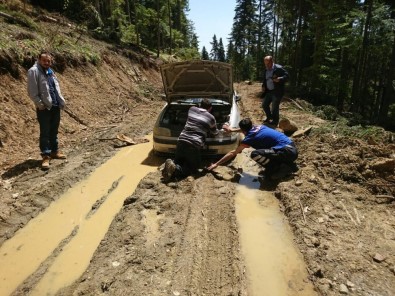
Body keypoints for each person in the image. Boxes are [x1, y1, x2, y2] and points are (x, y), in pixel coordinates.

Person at [207, 118, 298, 180]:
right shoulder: (258, 127)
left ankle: (278, 167)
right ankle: (281, 163)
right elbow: (244, 129)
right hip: (291, 147)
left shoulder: (249, 138)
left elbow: (233, 153)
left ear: (244, 131)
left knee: (255, 154)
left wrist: (216, 164)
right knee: (264, 149)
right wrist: (231, 130)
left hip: (287, 153)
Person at [162, 98, 219, 182]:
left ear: (200, 105)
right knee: (194, 168)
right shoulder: (211, 118)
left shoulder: (192, 109)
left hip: (181, 140)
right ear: (210, 108)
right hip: (193, 144)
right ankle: (176, 170)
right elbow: (215, 133)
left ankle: (172, 166)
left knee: (179, 161)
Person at [27, 51, 66, 169]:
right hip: (44, 108)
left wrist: (60, 101)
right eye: (44, 60)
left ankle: (54, 151)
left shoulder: (50, 71)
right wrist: (40, 105)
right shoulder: (33, 71)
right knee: (45, 133)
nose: (47, 63)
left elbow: (55, 88)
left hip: (55, 106)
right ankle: (45, 156)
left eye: (49, 61)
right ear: (39, 59)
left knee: (54, 131)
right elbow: (32, 91)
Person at [261, 56, 289, 127]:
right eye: (265, 64)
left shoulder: (279, 68)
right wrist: (263, 86)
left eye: (268, 64)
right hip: (268, 91)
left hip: (277, 91)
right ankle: (269, 117)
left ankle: (275, 122)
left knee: (274, 107)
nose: (266, 66)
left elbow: (287, 76)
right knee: (264, 105)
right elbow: (265, 79)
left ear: (272, 62)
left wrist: (280, 79)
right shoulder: (266, 69)